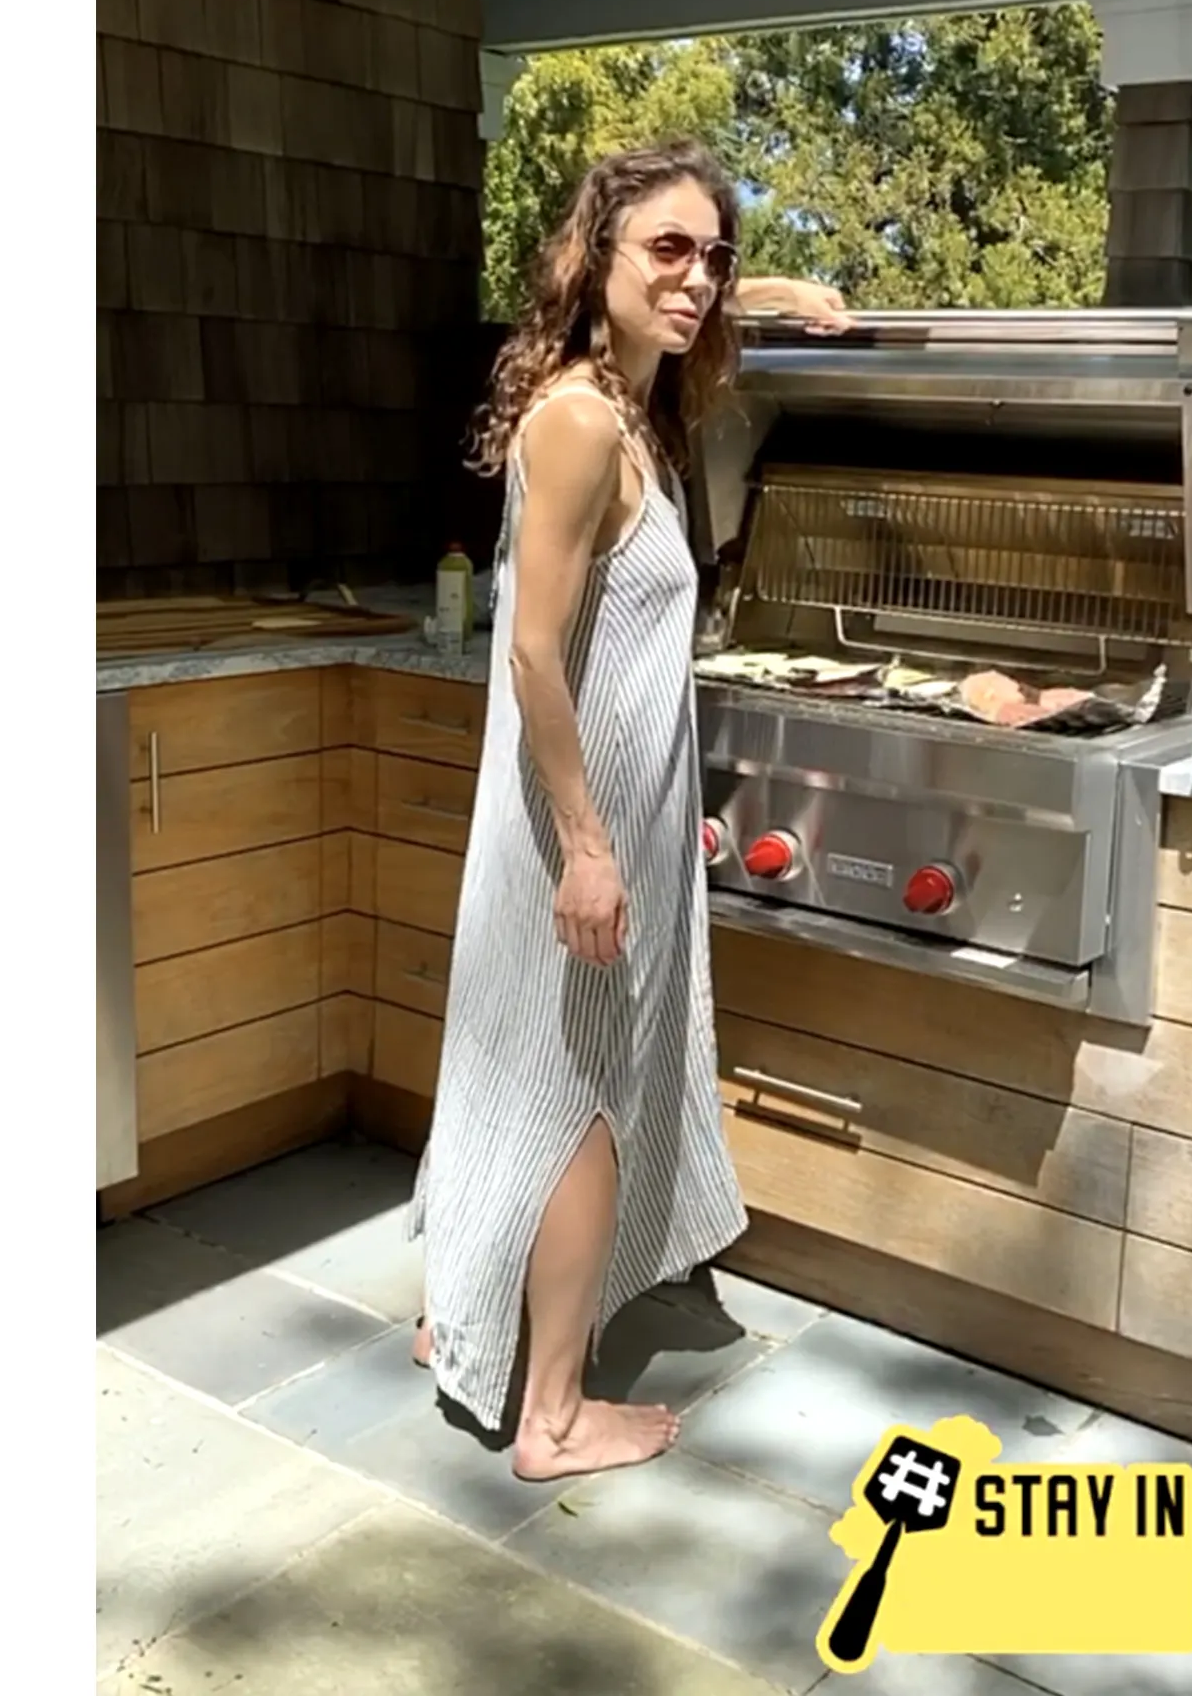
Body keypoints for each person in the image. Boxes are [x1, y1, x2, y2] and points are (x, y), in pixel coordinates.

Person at [404, 140, 852, 1481]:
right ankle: (550, 1414)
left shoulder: (619, 402)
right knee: (582, 1092)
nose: (697, 278)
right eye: (667, 250)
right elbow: (533, 654)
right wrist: (589, 849)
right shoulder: (584, 425)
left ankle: (467, 1319)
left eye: (714, 256)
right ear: (592, 257)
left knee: (521, 1073)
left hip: (596, 816)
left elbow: (684, 294)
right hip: (579, 824)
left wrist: (770, 291)